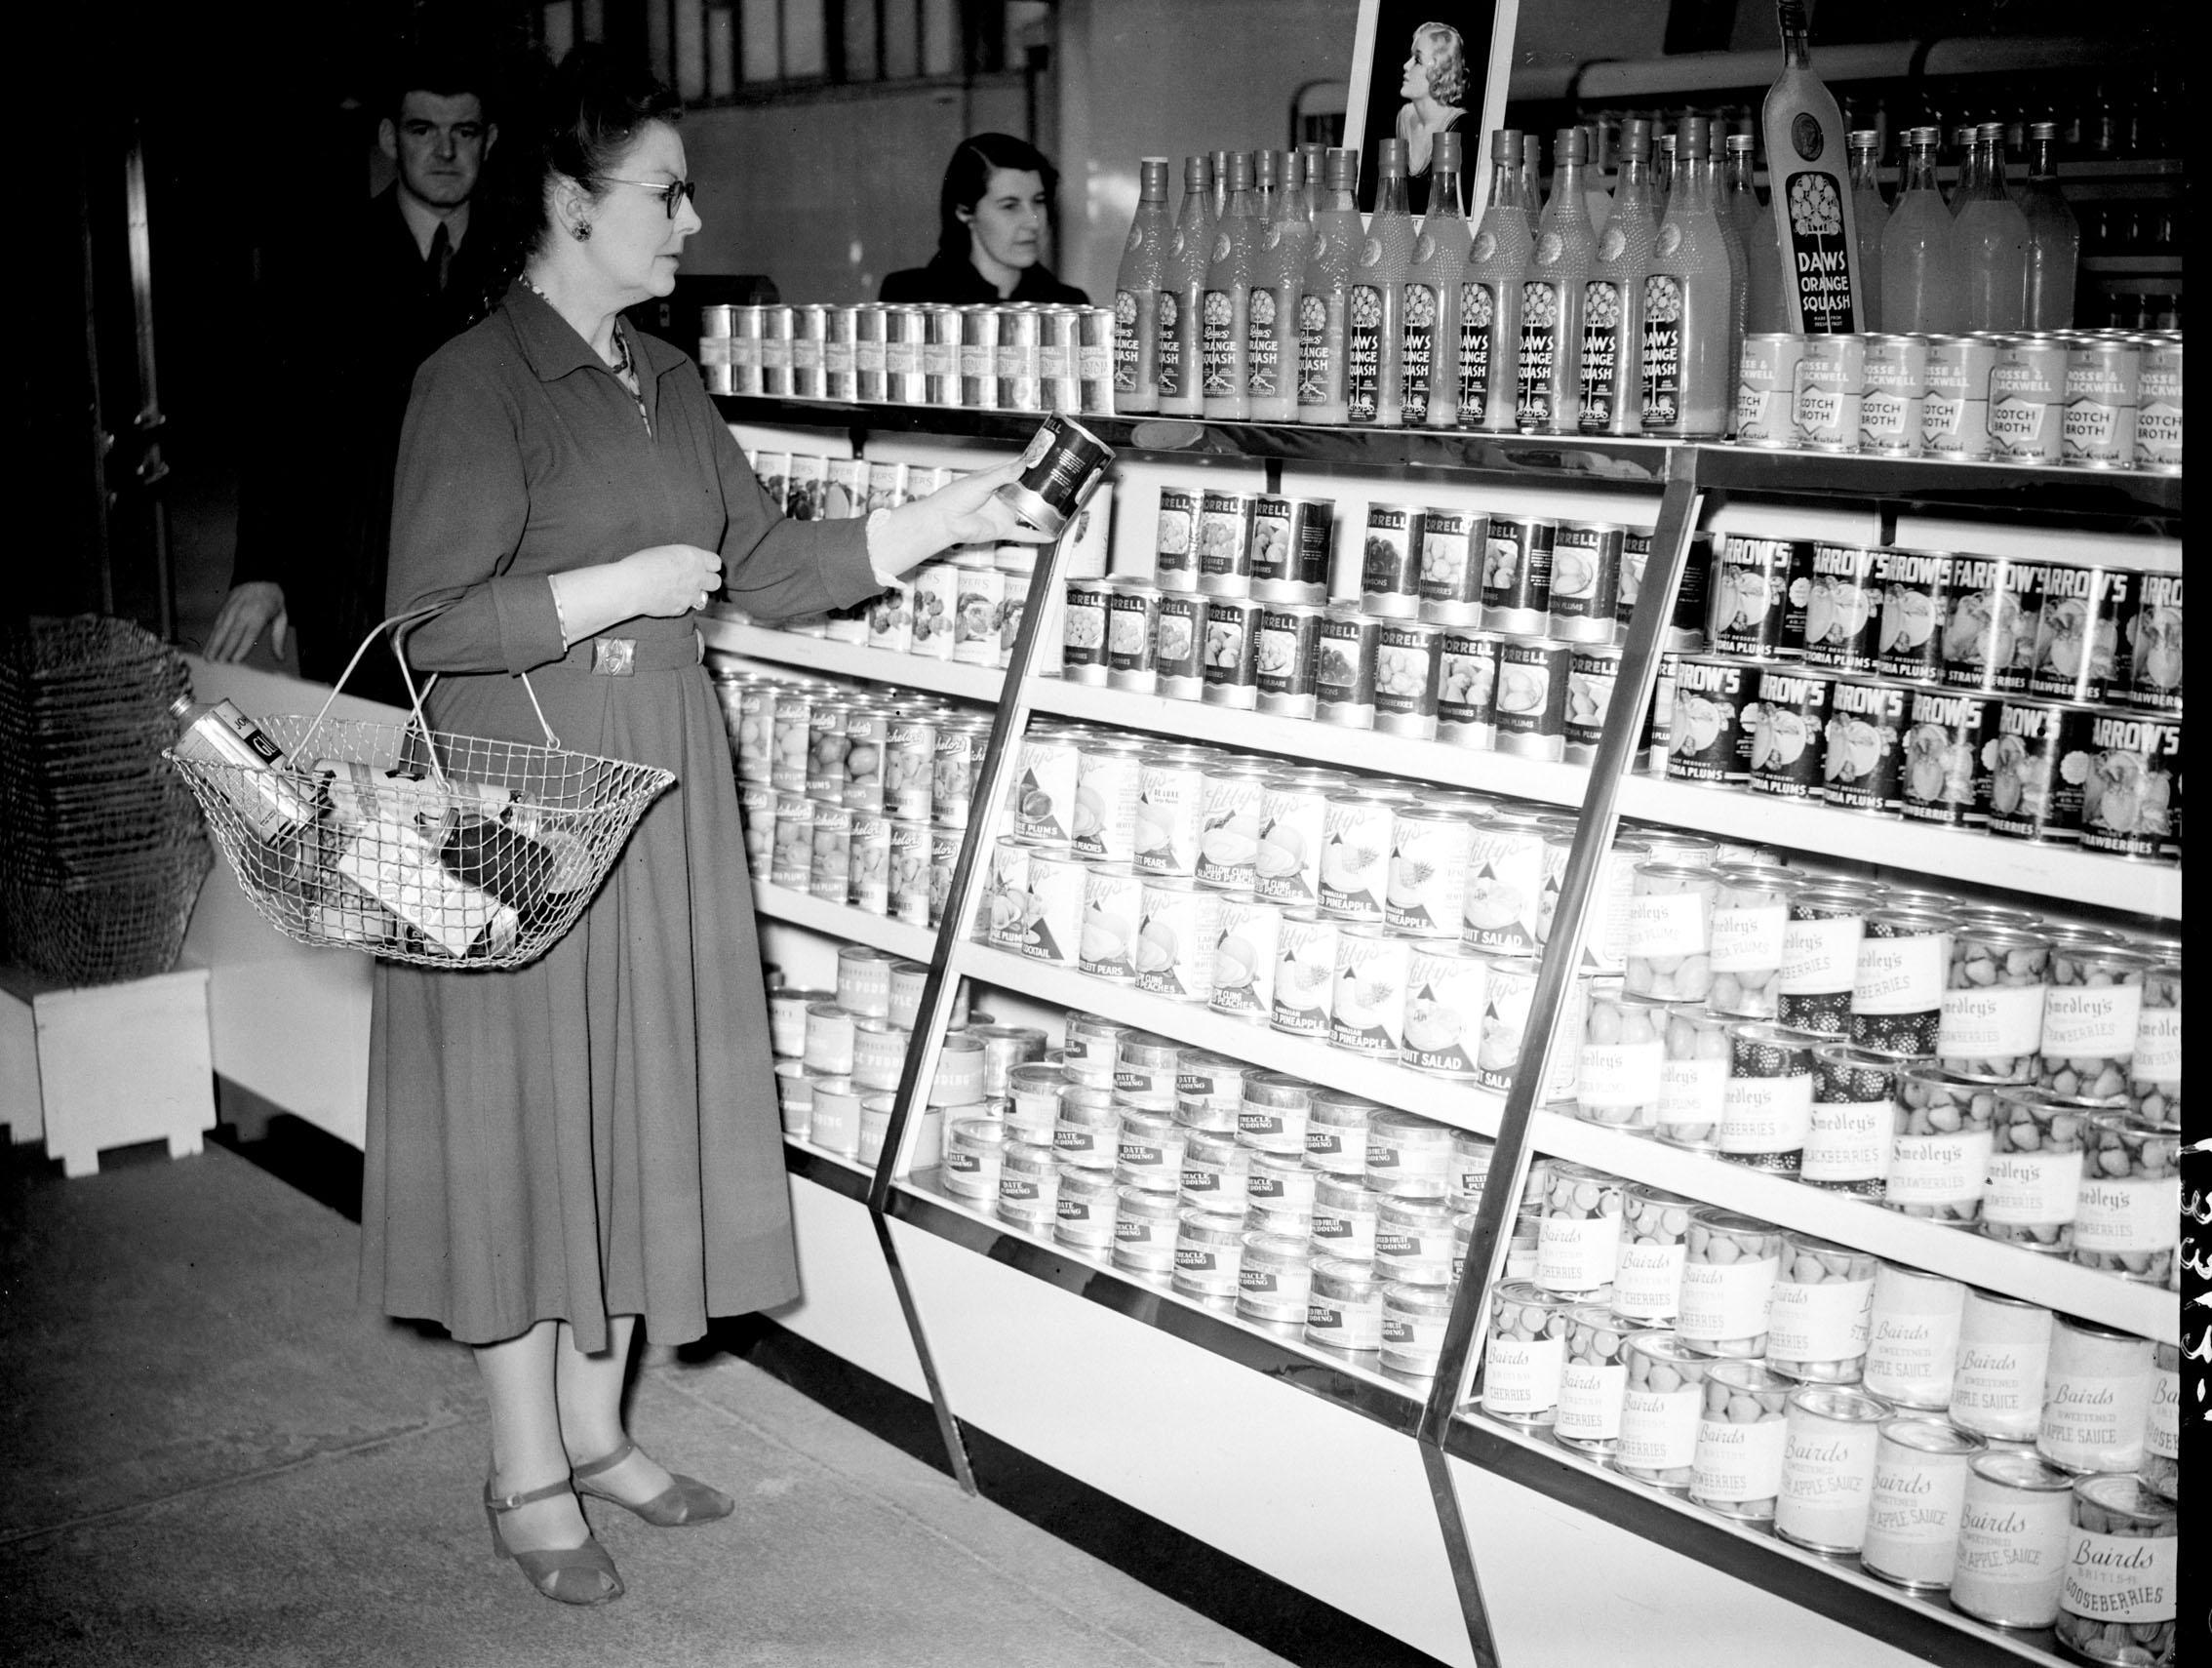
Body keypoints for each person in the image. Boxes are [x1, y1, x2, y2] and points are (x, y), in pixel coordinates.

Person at [362, 46, 1045, 1607]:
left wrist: (957, 517)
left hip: (659, 774)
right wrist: (616, 586)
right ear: (567, 204)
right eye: (663, 193)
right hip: (519, 791)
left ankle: (601, 1433)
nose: (688, 219)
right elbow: (424, 623)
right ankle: (525, 1460)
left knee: (631, 1106)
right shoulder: (471, 384)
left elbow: (771, 563)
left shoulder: (666, 378)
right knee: (529, 1126)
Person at [206, 50, 506, 703]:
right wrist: (261, 572)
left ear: (491, 140)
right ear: (388, 138)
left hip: (489, 591)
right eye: (424, 129)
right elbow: (278, 426)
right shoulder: (324, 261)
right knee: (362, 788)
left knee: (482, 786)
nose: (446, 150)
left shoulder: (521, 262)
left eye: (466, 131)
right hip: (352, 592)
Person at [879, 132, 1088, 304]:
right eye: (1010, 206)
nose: (1034, 222)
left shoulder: (1068, 303)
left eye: (1039, 201)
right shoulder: (909, 296)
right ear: (964, 211)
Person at [1393, 21, 1468, 217]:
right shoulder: (1403, 117)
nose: (1406, 65)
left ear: (1440, 71)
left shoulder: (1460, 126)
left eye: (1417, 60)